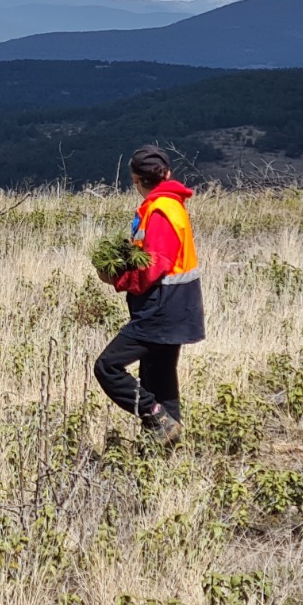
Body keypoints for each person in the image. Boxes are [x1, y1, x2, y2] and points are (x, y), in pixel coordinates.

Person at [92, 146, 205, 446]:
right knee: (160, 378)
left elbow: (151, 268)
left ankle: (153, 415)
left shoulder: (161, 211)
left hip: (161, 310)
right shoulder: (173, 205)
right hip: (179, 307)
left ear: (136, 180)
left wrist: (116, 278)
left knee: (107, 366)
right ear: (167, 174)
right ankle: (167, 452)